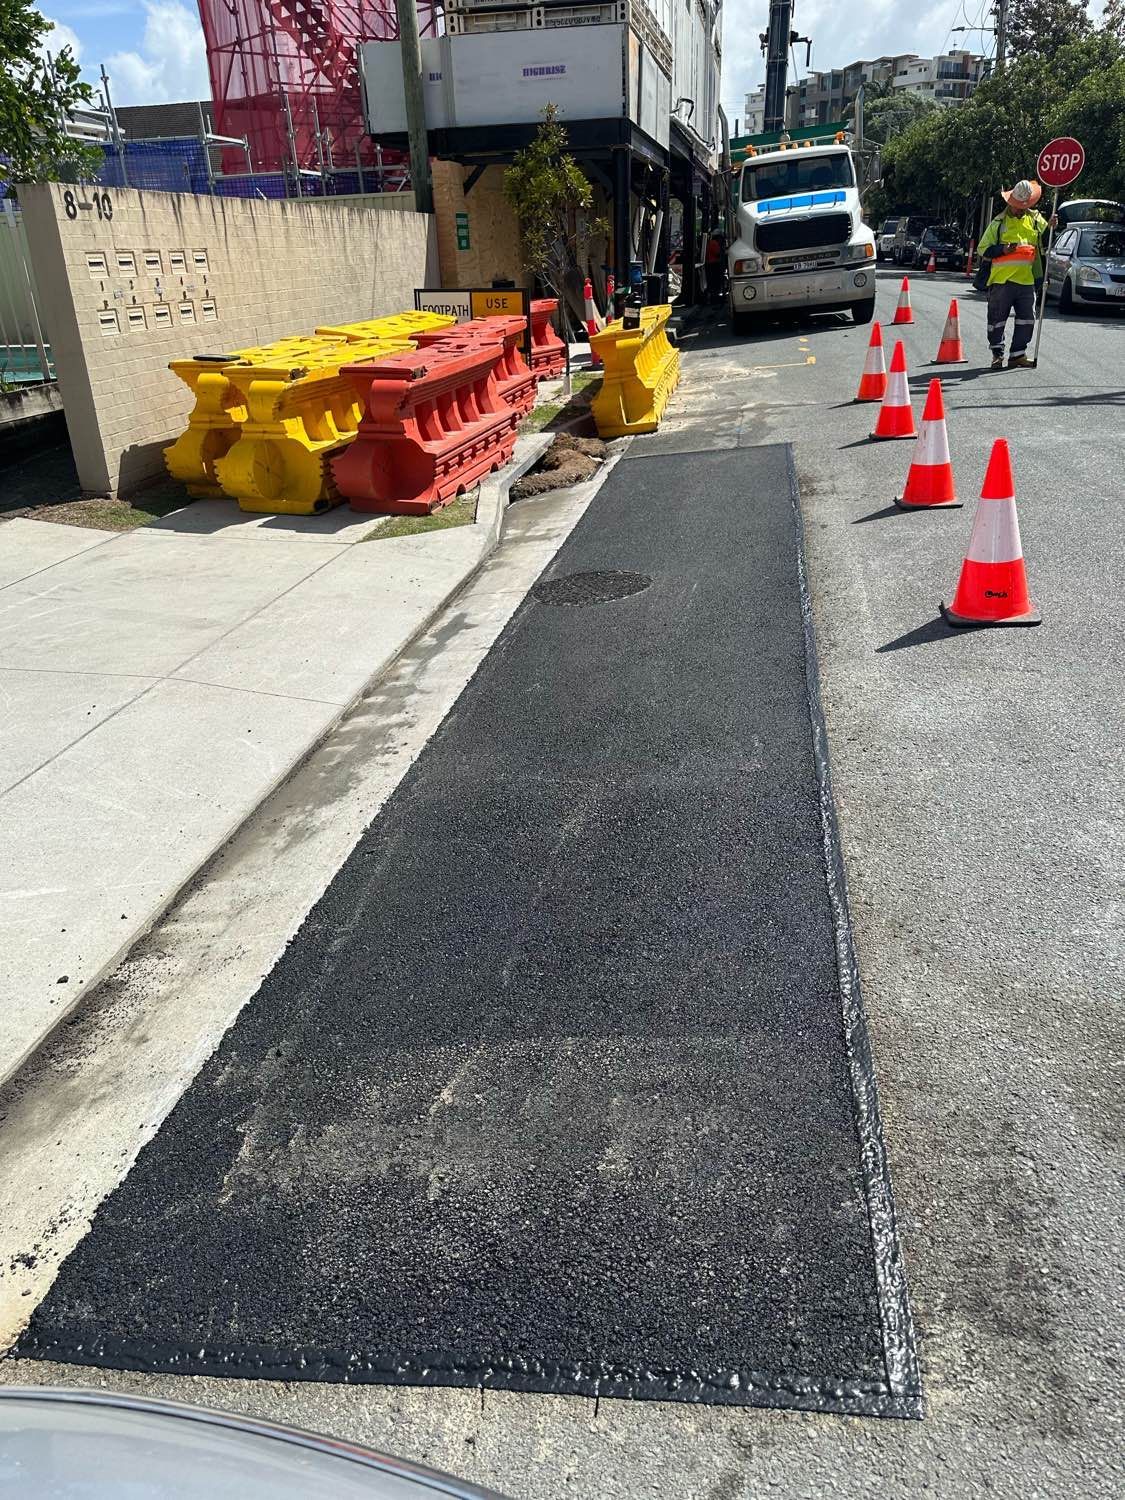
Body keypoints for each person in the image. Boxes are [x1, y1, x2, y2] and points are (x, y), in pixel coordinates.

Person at [977, 179, 1056, 369]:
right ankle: (997, 354)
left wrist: (1052, 227)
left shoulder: (1036, 219)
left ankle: (1017, 355)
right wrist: (1003, 249)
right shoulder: (999, 222)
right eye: (1017, 206)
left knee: (1027, 319)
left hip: (1027, 280)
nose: (1020, 209)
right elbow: (982, 249)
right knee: (996, 320)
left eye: (1024, 206)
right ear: (1010, 202)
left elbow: (1047, 242)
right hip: (1002, 280)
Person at [705, 230, 724, 302]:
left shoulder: (711, 243)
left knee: (713, 282)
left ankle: (714, 297)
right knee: (715, 282)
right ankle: (714, 298)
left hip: (712, 264)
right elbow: (717, 253)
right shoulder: (714, 243)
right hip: (713, 264)